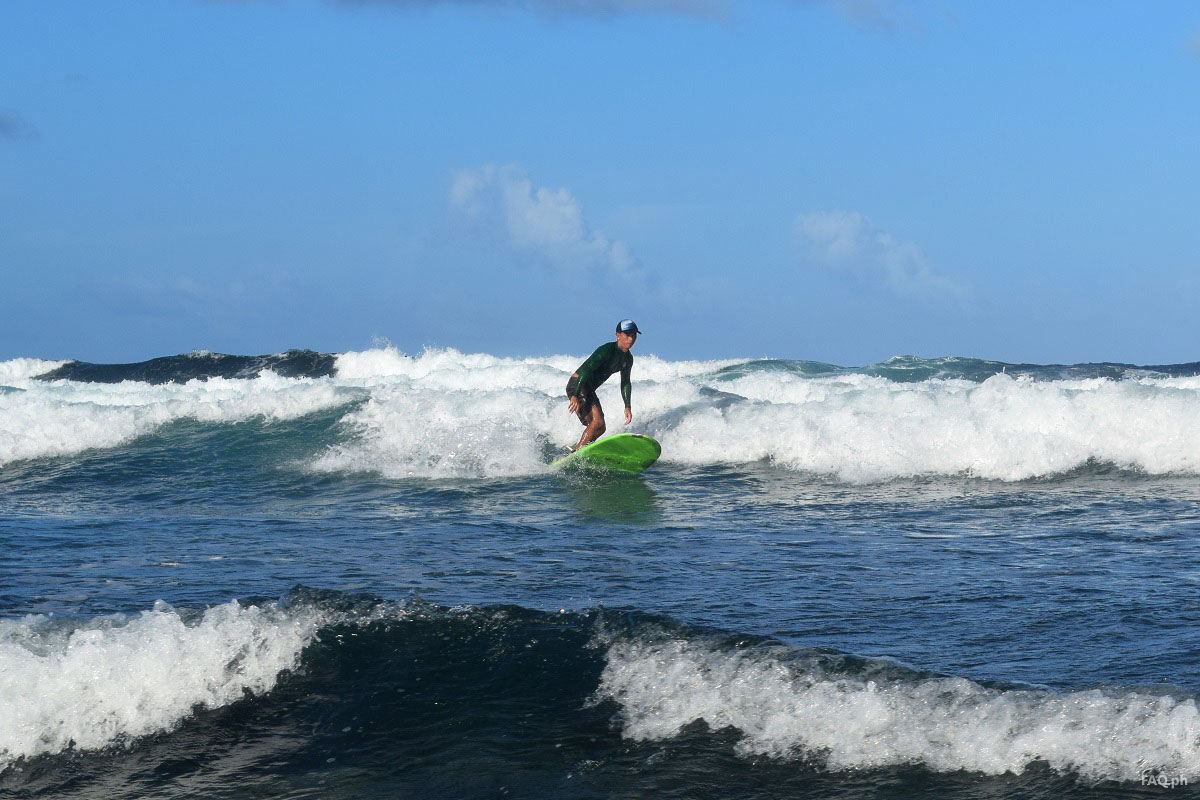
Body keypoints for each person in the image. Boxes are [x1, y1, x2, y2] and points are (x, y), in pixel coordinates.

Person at [566, 319, 641, 452]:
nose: (631, 339)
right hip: (578, 384)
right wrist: (575, 395)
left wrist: (627, 406)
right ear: (618, 335)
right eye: (627, 335)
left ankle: (580, 450)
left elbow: (625, 382)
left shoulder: (628, 358)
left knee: (601, 428)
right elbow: (585, 371)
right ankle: (578, 453)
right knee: (597, 422)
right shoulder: (606, 350)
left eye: (633, 335)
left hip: (588, 389)